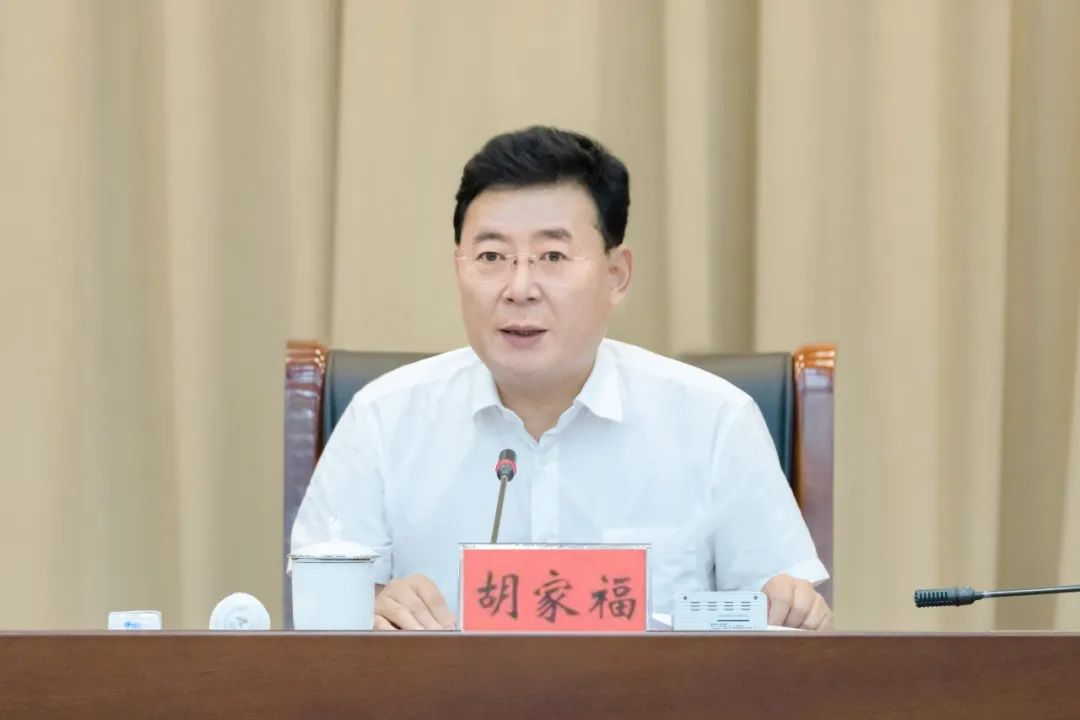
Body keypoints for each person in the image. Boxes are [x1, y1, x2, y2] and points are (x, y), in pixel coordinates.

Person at [291, 126, 832, 631]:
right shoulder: (382, 419)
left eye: (552, 255)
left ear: (616, 275)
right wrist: (367, 609)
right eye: (491, 256)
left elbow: (783, 627)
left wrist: (793, 611)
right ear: (459, 269)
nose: (519, 288)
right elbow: (316, 631)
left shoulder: (715, 421)